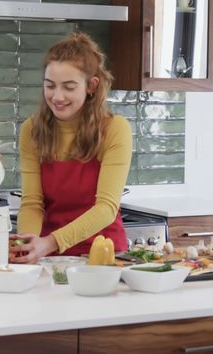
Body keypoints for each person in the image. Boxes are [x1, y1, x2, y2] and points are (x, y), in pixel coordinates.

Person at [11, 32, 132, 263]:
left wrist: (48, 243)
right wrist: (26, 245)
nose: (57, 96)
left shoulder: (115, 129)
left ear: (91, 86)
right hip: (49, 257)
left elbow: (106, 208)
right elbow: (32, 202)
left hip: (103, 257)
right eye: (50, 86)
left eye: (68, 87)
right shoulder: (32, 129)